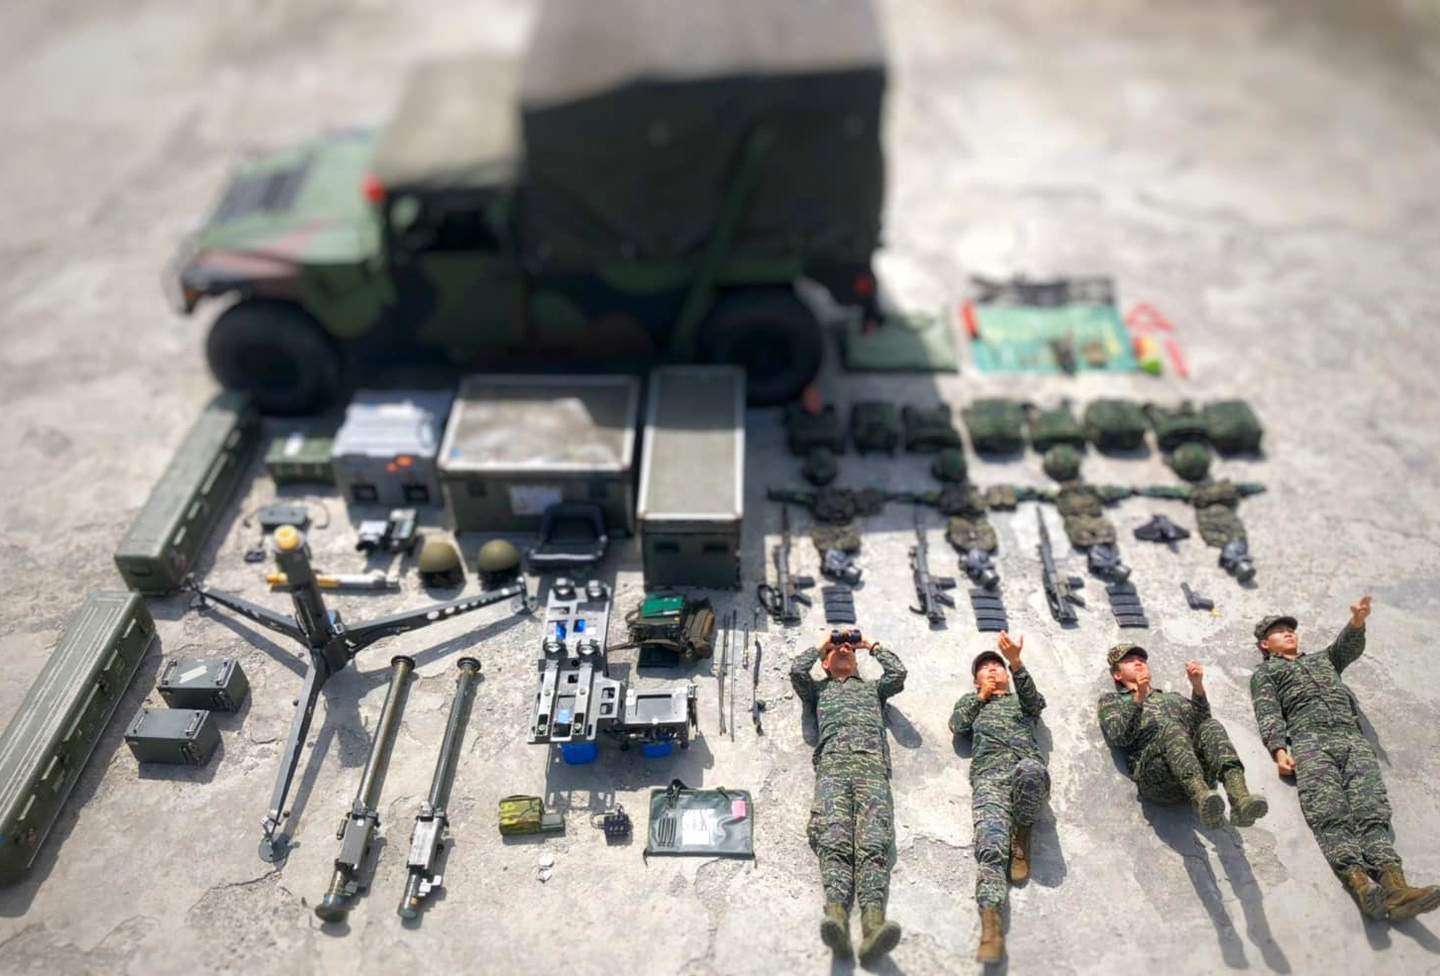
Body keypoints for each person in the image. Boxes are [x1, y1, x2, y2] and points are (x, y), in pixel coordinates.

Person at [1251, 597, 1440, 920]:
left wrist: (1357, 621)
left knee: (1372, 811)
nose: (1288, 633)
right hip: (1311, 744)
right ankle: (1361, 886)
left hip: (1353, 741)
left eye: (1290, 629)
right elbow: (1268, 712)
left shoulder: (1324, 660)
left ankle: (1397, 889)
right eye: (1278, 631)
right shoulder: (1267, 673)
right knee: (1330, 813)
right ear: (1265, 644)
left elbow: (1346, 648)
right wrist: (1279, 751)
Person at [790, 631, 907, 963]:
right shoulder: (818, 690)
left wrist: (870, 645)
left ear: (856, 661)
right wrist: (822, 645)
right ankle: (837, 920)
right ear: (826, 664)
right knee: (834, 840)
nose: (844, 649)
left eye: (848, 649)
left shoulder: (873, 689)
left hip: (871, 770)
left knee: (874, 842)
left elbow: (898, 674)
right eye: (836, 650)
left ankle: (873, 927)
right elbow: (797, 671)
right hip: (833, 770)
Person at [949, 631, 1049, 964]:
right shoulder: (972, 703)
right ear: (975, 679)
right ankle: (990, 930)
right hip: (989, 779)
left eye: (998, 666)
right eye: (985, 667)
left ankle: (1022, 833)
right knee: (990, 848)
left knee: (1031, 770)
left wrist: (1016, 662)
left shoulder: (1021, 701)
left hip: (1024, 771)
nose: (992, 669)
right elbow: (957, 725)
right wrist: (980, 697)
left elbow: (1036, 703)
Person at [1098, 643, 1267, 828]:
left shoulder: (1173, 698)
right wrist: (1139, 697)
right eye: (1130, 661)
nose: (1138, 663)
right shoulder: (1113, 701)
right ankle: (1200, 797)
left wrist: (1197, 686)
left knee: (1211, 725)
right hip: (1158, 778)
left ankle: (1240, 799)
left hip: (1198, 773)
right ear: (1117, 675)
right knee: (1171, 728)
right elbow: (1118, 736)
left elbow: (1202, 725)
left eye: (1141, 660)